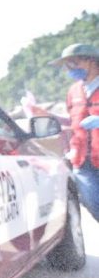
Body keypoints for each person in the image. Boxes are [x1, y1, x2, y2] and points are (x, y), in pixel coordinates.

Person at [52, 43, 99, 222]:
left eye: (73, 63)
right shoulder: (73, 91)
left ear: (91, 61)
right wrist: (48, 116)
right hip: (82, 161)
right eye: (67, 65)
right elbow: (73, 122)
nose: (68, 69)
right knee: (92, 202)